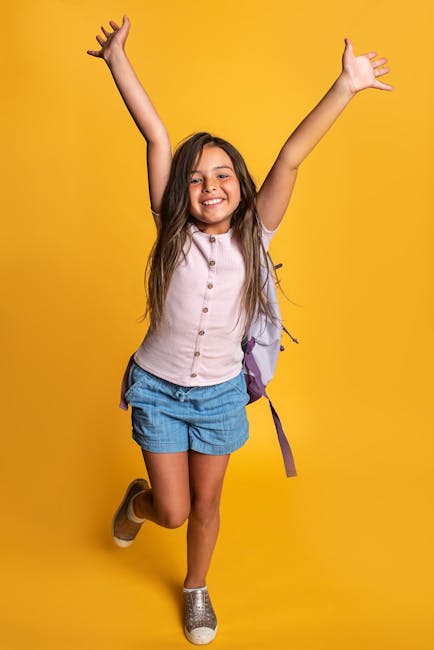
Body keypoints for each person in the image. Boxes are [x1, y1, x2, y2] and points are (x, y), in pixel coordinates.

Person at [87, 15, 392, 645]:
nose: (210, 185)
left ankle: (196, 587)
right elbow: (155, 135)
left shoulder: (255, 237)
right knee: (170, 511)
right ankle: (137, 502)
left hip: (222, 393)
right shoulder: (172, 233)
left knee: (205, 506)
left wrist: (346, 86)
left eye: (223, 173)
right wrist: (118, 60)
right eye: (196, 177)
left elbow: (292, 156)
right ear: (180, 191)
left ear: (242, 185)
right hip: (158, 388)